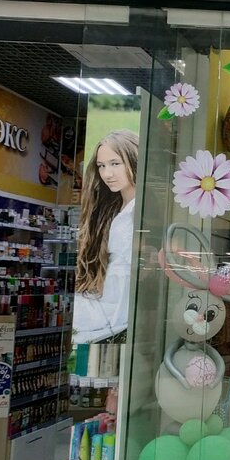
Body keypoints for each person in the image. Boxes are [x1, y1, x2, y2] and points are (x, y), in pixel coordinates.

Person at [73, 130, 139, 344]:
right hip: (101, 305)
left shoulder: (139, 212)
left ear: (134, 159)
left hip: (115, 314)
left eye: (115, 164)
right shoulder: (110, 209)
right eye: (101, 166)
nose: (107, 173)